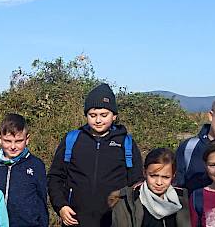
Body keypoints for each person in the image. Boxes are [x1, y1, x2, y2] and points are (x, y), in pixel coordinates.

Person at [48, 83, 144, 227]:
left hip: (115, 220)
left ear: (114, 116)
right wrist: (60, 206)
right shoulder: (73, 140)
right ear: (86, 115)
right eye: (92, 115)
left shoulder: (126, 143)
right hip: (75, 220)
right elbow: (55, 176)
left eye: (104, 115)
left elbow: (136, 183)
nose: (98, 120)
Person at [0, 113, 48, 227]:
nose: (13, 146)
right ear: (0, 139)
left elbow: (42, 202)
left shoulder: (36, 165)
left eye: (19, 141)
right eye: (8, 141)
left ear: (27, 139)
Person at [109, 148, 190, 226]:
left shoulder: (183, 199)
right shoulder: (127, 201)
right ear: (144, 172)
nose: (159, 182)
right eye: (153, 176)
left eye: (165, 177)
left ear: (173, 176)